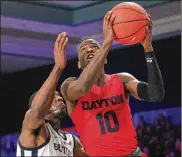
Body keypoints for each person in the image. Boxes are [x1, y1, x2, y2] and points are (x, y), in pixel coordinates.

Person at [61, 11, 164, 156]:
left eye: (95, 47)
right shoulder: (69, 86)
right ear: (78, 64)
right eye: (83, 49)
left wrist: (148, 49)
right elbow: (83, 88)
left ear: (105, 59)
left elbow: (155, 94)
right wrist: (107, 42)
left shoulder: (122, 80)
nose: (90, 49)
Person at [16, 33, 87, 157]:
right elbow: (37, 109)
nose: (59, 98)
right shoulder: (32, 126)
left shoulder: (71, 141)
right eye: (52, 98)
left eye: (58, 96)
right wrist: (58, 67)